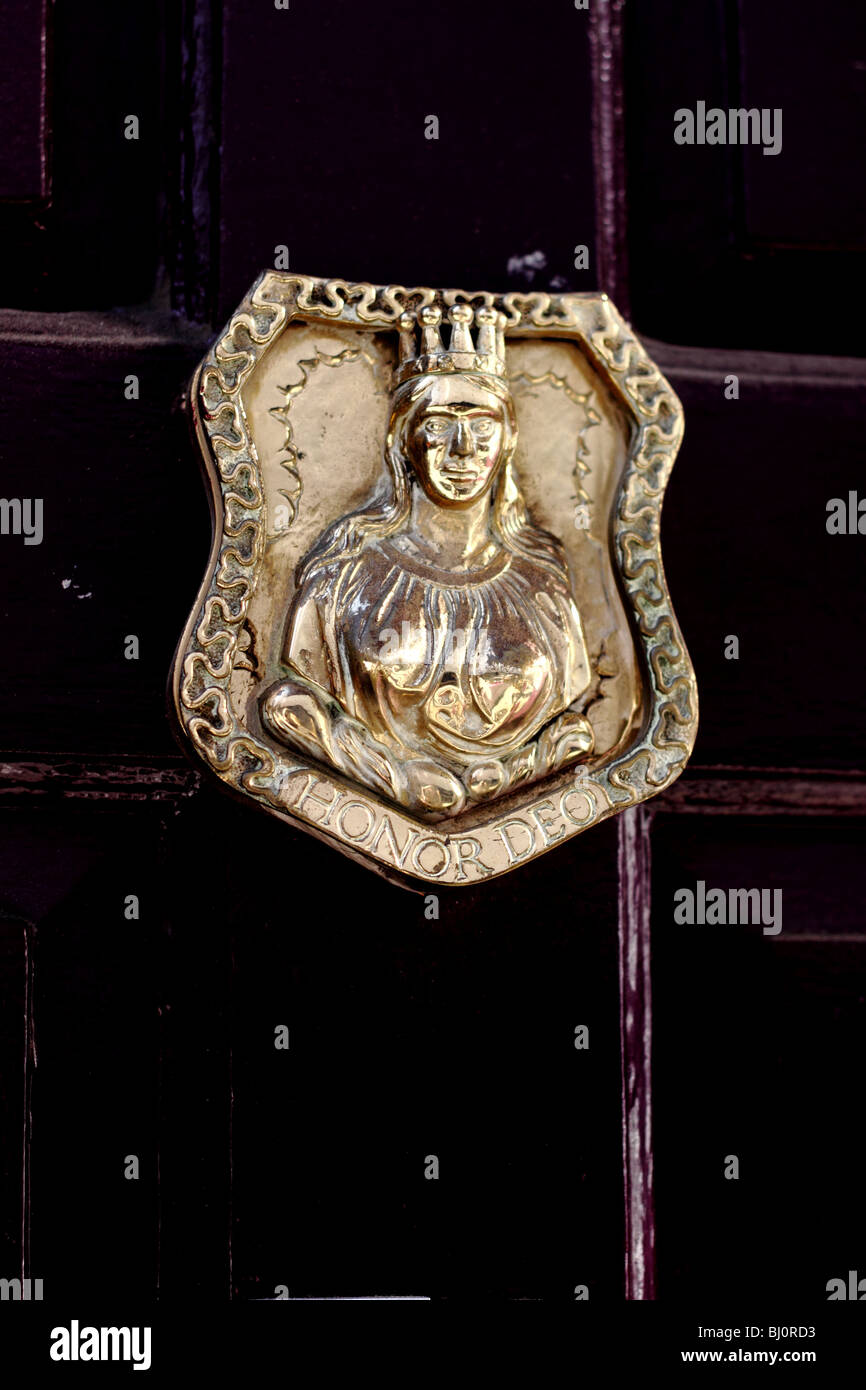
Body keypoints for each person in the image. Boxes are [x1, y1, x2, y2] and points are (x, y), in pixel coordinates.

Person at [261, 304, 594, 819]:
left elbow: (575, 727)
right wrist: (393, 775)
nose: (463, 450)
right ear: (402, 438)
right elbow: (291, 707)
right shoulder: (346, 571)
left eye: (482, 427)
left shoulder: (541, 577)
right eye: (440, 425)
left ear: (508, 442)